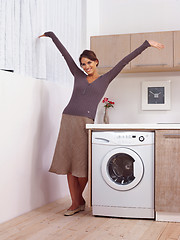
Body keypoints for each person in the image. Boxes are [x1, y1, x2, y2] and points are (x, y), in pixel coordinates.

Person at [38, 31, 164, 216]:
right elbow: (65, 54)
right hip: (67, 120)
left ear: (96, 61)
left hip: (85, 123)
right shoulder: (78, 76)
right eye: (83, 64)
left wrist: (146, 44)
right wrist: (53, 36)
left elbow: (123, 61)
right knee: (68, 164)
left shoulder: (106, 78)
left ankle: (78, 200)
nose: (86, 66)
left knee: (83, 165)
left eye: (89, 62)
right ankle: (76, 203)